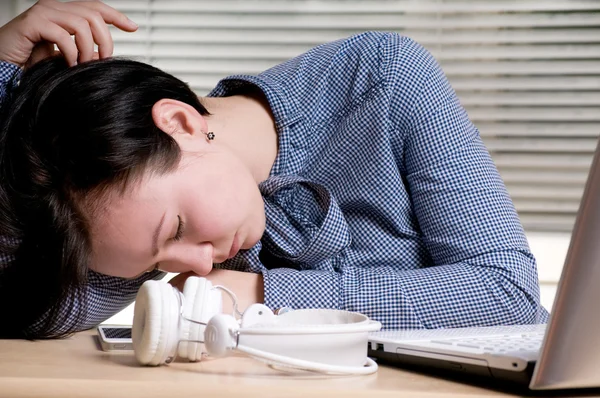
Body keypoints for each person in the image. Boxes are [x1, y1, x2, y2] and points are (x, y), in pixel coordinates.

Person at [0, 0, 548, 339]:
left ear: (182, 124)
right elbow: (26, 309)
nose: (193, 267)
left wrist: (259, 294)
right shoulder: (116, 213)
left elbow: (510, 295)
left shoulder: (385, 79)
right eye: (155, 263)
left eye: (178, 232)